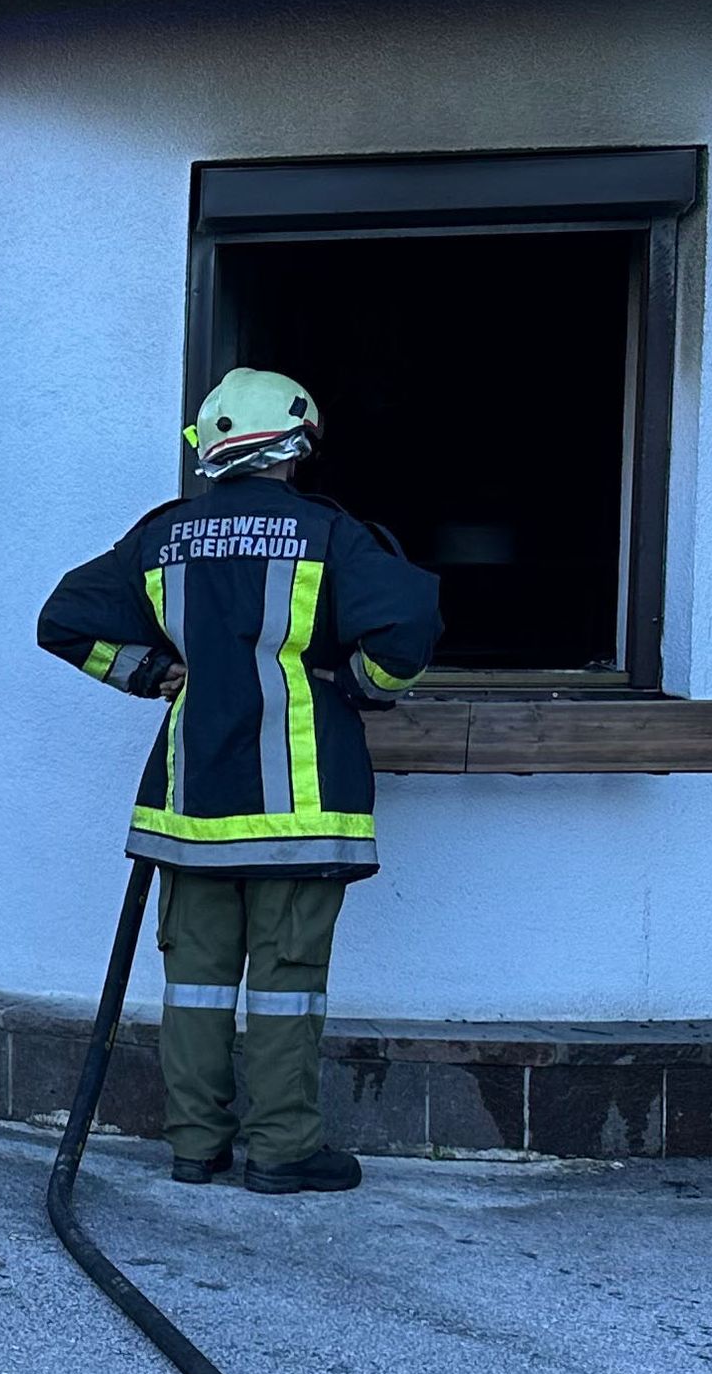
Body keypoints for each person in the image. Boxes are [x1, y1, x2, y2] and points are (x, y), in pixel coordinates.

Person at [39, 367, 439, 1195]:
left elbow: (64, 620)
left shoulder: (162, 537)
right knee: (285, 989)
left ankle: (196, 1147)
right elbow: (406, 628)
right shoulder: (330, 534)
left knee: (194, 985)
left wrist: (151, 673)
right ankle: (284, 1153)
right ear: (296, 447)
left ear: (214, 446)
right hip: (300, 815)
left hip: (193, 812)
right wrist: (363, 686)